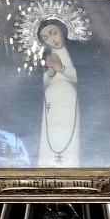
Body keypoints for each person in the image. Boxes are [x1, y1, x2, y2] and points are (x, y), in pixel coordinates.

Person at [38, 18, 81, 166]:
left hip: (71, 102)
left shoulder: (78, 52)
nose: (52, 40)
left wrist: (61, 69)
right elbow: (35, 86)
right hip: (50, 105)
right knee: (49, 136)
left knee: (71, 137)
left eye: (53, 33)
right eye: (46, 38)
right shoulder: (43, 56)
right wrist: (50, 72)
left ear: (62, 30)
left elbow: (87, 79)